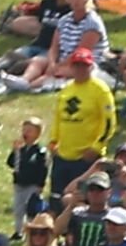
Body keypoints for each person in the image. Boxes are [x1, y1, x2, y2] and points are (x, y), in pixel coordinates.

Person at [49, 48, 115, 200]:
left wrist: (97, 147)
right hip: (62, 155)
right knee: (57, 199)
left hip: (86, 158)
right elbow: (58, 117)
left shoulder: (100, 90)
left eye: (84, 66)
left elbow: (109, 123)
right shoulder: (66, 90)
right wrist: (53, 141)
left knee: (81, 201)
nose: (80, 70)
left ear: (91, 66)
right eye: (77, 66)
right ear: (71, 67)